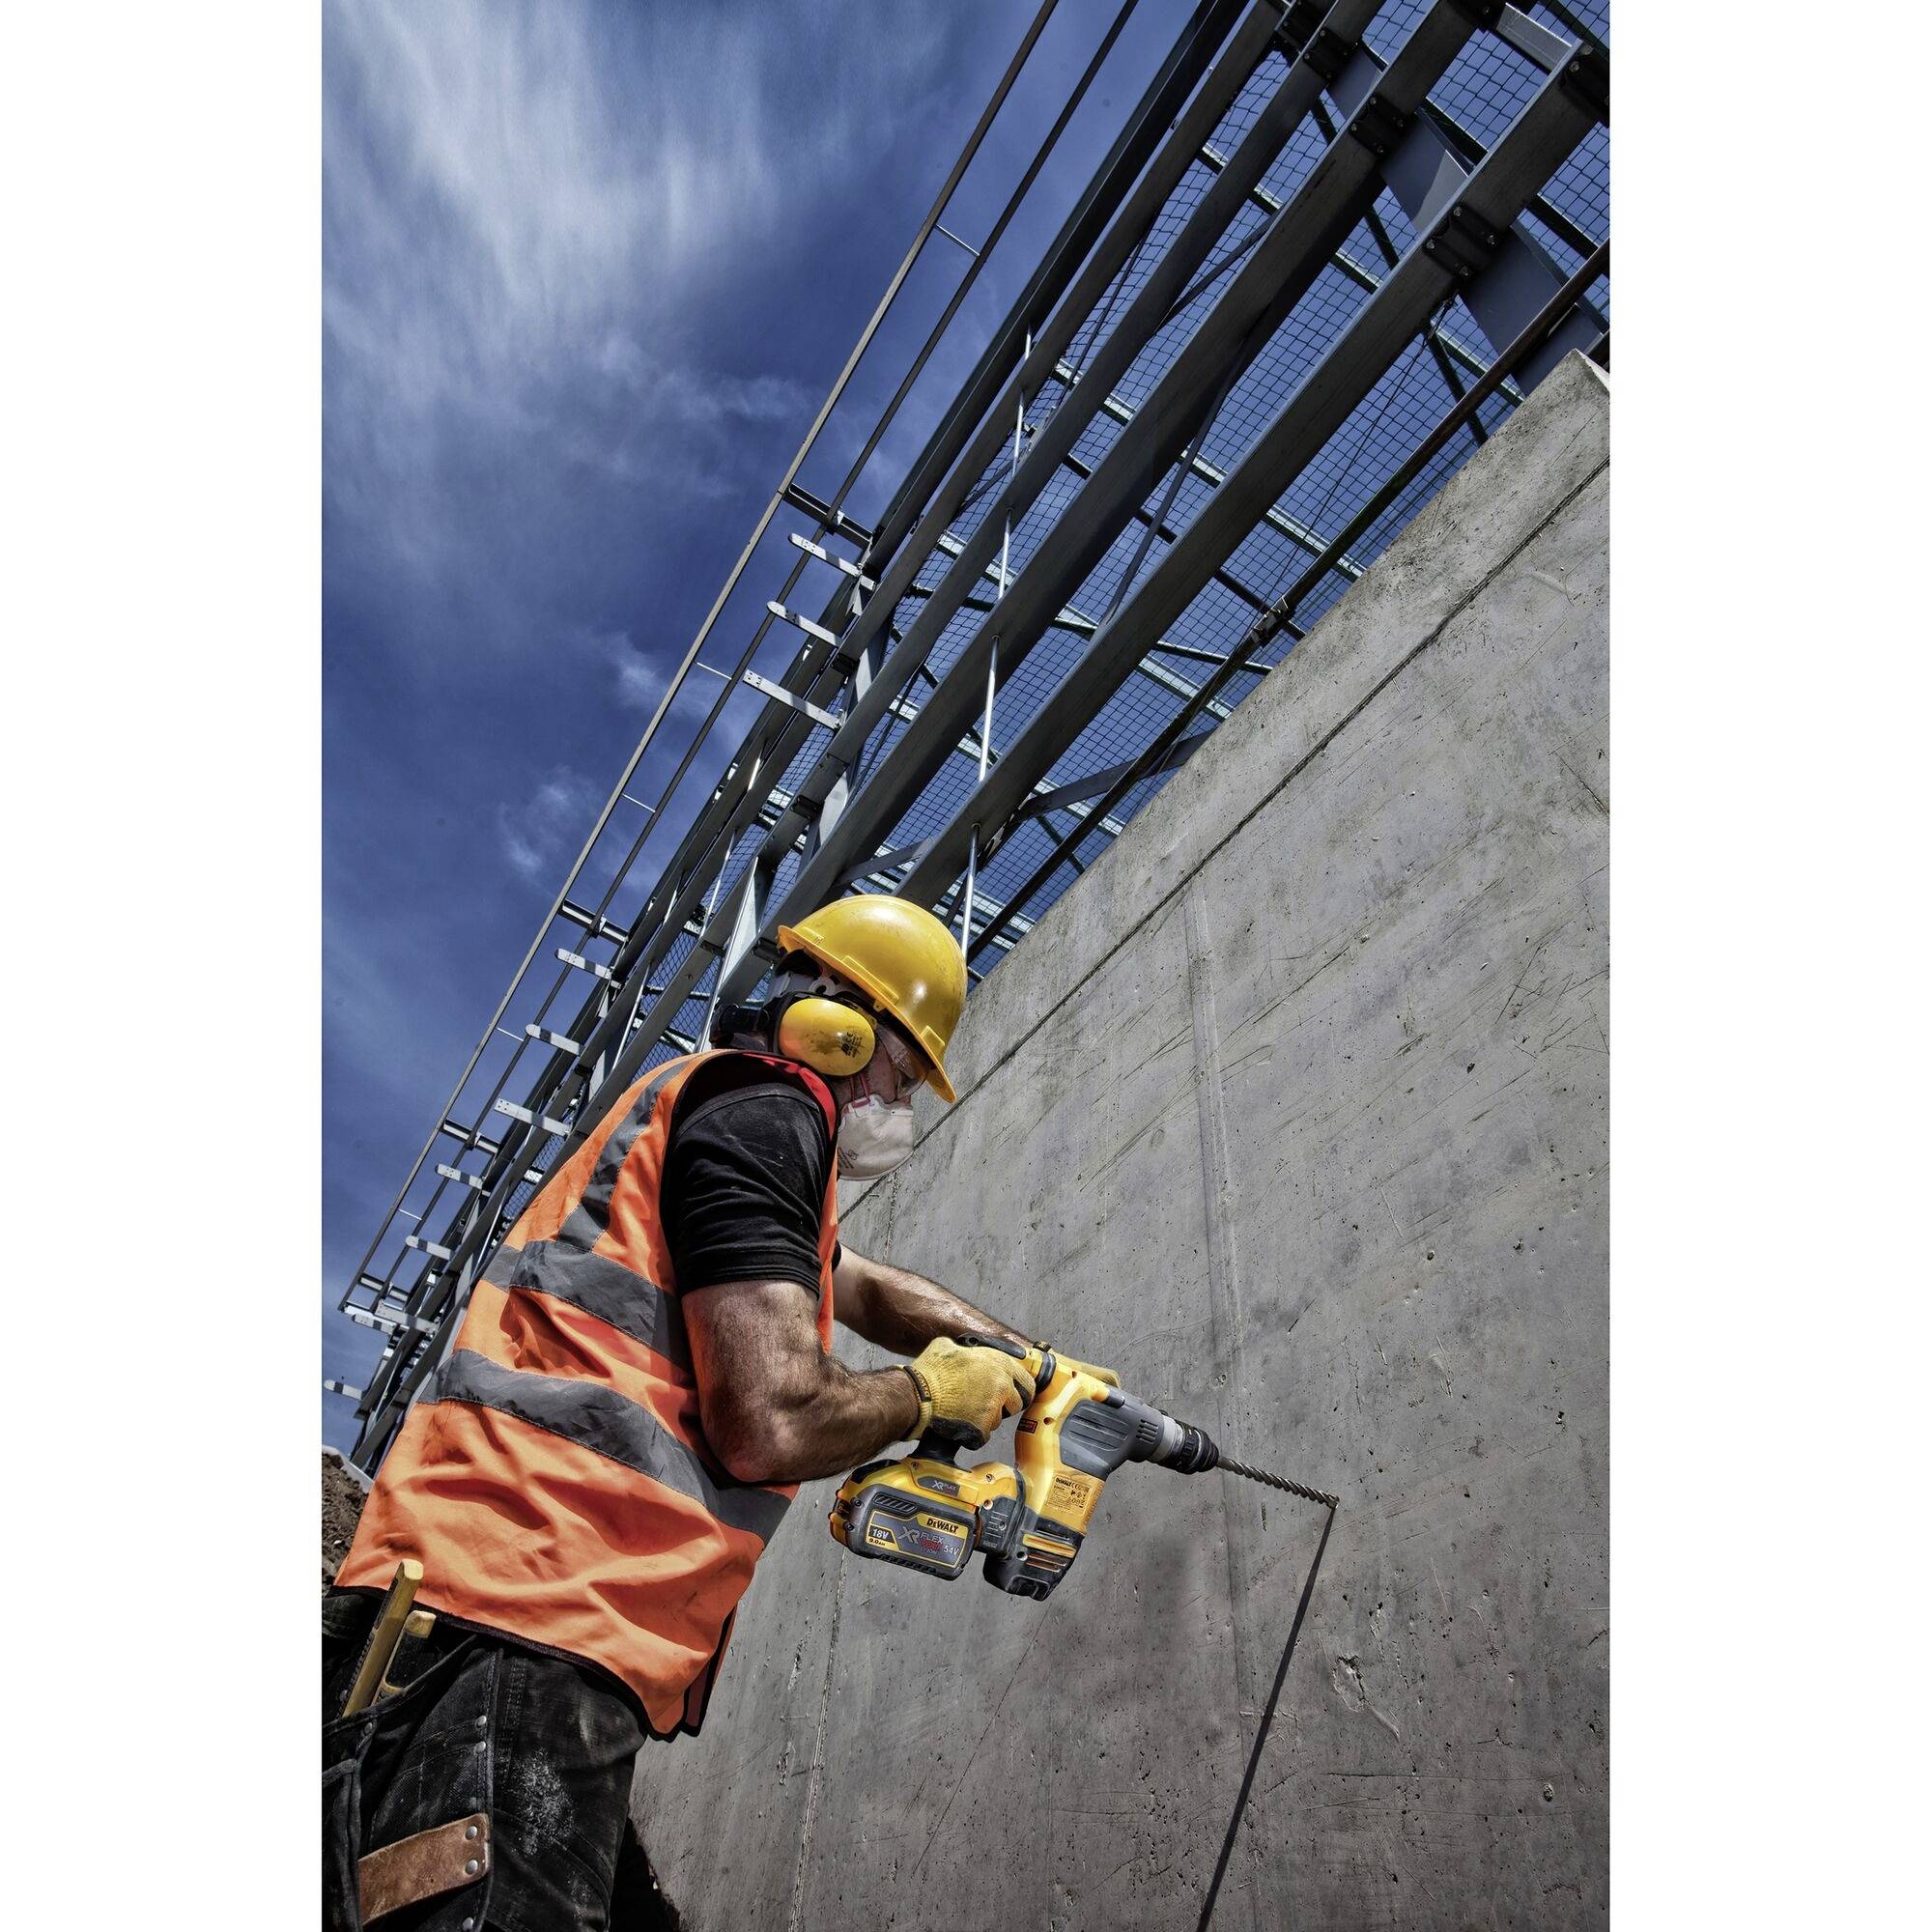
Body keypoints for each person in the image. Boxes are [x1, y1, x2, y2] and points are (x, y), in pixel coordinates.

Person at [324, 896, 1072, 1931]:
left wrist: (1027, 1361)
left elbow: (859, 1285)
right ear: (842, 1031)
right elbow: (768, 1422)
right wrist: (920, 1395)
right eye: (901, 1077)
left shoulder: (711, 1118)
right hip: (524, 1612)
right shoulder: (769, 1107)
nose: (895, 1107)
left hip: (499, 1620)